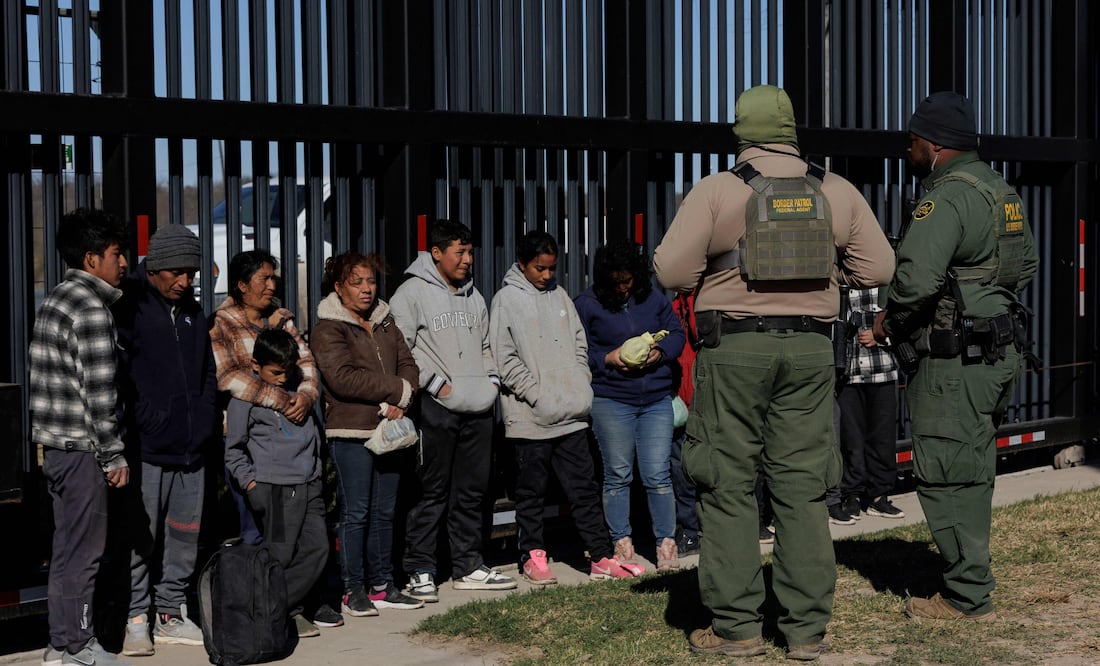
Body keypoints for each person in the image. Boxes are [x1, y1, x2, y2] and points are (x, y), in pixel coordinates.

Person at [654, 84, 895, 659]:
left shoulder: (716, 190)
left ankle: (737, 629)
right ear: (792, 132)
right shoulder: (834, 189)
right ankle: (806, 630)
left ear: (739, 132)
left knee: (728, 483)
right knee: (804, 487)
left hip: (734, 349)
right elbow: (879, 266)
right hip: (812, 352)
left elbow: (668, 271)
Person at [873, 91, 1038, 622]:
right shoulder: (1001, 190)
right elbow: (1026, 266)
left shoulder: (944, 197)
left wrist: (888, 323)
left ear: (935, 144)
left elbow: (915, 279)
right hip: (998, 353)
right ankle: (971, 580)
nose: (908, 147)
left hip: (954, 362)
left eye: (914, 138)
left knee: (946, 470)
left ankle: (966, 594)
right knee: (974, 468)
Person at [489, 231, 644, 584]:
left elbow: (579, 342)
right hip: (531, 418)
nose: (547, 275)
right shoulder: (505, 300)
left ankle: (601, 556)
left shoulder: (560, 296)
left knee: (585, 489)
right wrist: (535, 393)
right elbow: (504, 356)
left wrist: (578, 383)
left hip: (571, 413)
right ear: (522, 264)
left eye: (551, 268)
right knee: (531, 491)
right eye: (539, 269)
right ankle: (532, 556)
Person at [209, 250, 341, 632]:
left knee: (313, 544)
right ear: (241, 284)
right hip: (266, 467)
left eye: (273, 278)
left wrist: (308, 396)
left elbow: (307, 364)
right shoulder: (224, 324)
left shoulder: (282, 320)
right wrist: (285, 400)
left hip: (301, 467)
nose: (272, 285)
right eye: (264, 279)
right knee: (271, 544)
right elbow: (231, 378)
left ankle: (283, 605)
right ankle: (267, 611)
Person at [389, 220, 517, 601]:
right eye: (459, 252)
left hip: (477, 407)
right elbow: (402, 349)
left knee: (472, 492)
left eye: (470, 251)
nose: (467, 259)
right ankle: (421, 570)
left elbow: (485, 347)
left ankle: (468, 565)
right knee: (431, 491)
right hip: (437, 408)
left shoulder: (475, 297)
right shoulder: (410, 293)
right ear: (437, 253)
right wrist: (435, 385)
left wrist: (491, 382)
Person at [31, 208, 132, 666]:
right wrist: (113, 456)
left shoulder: (56, 298)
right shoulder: (92, 308)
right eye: (116, 253)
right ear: (92, 259)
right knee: (85, 554)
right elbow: (99, 392)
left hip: (55, 449)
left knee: (66, 551)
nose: (125, 262)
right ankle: (79, 646)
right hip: (83, 453)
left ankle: (61, 644)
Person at [113, 225, 217, 656]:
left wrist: (206, 417)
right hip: (150, 447)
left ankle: (170, 612)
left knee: (185, 532)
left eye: (191, 273)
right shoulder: (130, 307)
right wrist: (150, 421)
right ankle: (136, 616)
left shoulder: (192, 311)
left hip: (192, 446)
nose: (185, 281)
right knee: (144, 534)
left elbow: (207, 373)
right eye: (176, 271)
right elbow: (122, 379)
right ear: (154, 267)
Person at [310, 252, 425, 616]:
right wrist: (396, 391)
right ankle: (352, 589)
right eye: (357, 282)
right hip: (351, 431)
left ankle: (382, 585)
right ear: (339, 287)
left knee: (385, 511)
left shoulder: (385, 319)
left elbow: (408, 363)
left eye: (371, 281)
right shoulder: (328, 328)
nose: (366, 289)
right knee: (356, 512)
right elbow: (342, 378)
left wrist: (403, 399)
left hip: (389, 429)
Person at [574, 239, 686, 573]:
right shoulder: (587, 304)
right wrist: (605, 359)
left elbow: (677, 334)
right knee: (618, 474)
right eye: (617, 282)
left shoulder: (652, 300)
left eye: (628, 281)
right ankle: (622, 542)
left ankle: (666, 543)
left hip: (654, 399)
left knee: (658, 475)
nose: (624, 288)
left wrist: (660, 353)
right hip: (611, 399)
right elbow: (578, 349)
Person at [224, 329, 330, 639]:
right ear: (256, 364)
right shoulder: (246, 397)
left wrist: (317, 470)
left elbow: (315, 433)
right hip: (274, 489)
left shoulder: (303, 392)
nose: (283, 379)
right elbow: (234, 449)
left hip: (309, 484)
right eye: (275, 372)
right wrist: (252, 483)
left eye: (288, 371)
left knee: (317, 548)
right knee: (281, 555)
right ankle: (282, 613)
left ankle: (273, 606)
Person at [835, 287, 903, 523]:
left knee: (882, 437)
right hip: (848, 374)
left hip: (882, 370)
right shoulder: (840, 280)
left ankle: (879, 496)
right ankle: (851, 495)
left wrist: (881, 334)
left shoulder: (886, 285)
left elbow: (903, 320)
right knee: (850, 438)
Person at [669, 291, 701, 556]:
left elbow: (697, 330)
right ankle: (689, 532)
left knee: (691, 472)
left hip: (703, 400)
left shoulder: (701, 302)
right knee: (681, 473)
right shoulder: (671, 308)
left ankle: (695, 531)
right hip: (682, 402)